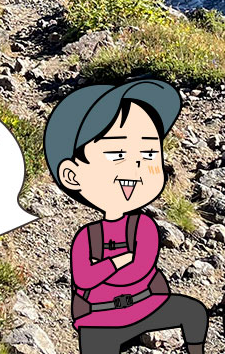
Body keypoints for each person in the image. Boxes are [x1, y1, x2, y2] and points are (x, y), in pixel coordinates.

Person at [43, 78, 209, 354]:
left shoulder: (143, 225)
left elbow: (140, 268)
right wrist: (120, 259)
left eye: (148, 152)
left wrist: (105, 268)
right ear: (72, 175)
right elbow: (82, 279)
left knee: (194, 313)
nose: (137, 164)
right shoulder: (87, 236)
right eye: (118, 153)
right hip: (98, 317)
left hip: (146, 305)